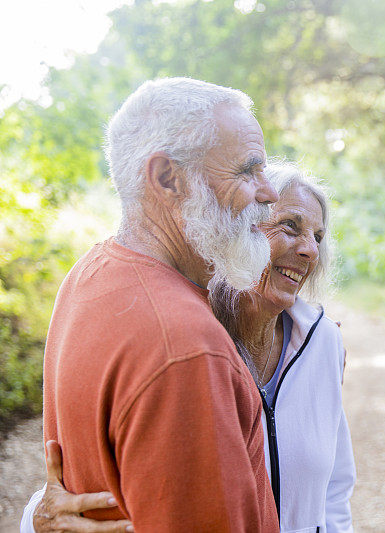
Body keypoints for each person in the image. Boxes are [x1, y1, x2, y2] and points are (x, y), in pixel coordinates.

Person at [23, 164, 356, 532]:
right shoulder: (183, 341)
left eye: (318, 236)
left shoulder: (323, 343)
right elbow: (89, 471)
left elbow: (335, 489)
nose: (310, 249)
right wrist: (34, 518)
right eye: (291, 225)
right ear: (242, 228)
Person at [30, 77, 281, 532]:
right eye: (247, 171)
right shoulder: (185, 348)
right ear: (168, 177)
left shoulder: (90, 273)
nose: (269, 193)